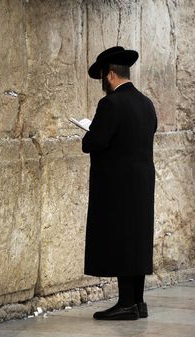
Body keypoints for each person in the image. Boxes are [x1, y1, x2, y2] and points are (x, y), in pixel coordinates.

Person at [82, 46, 157, 320]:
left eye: (102, 77)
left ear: (110, 75)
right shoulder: (146, 103)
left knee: (121, 239)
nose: (103, 82)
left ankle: (125, 303)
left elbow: (95, 142)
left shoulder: (111, 103)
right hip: (142, 183)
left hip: (117, 186)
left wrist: (87, 134)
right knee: (137, 239)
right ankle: (138, 302)